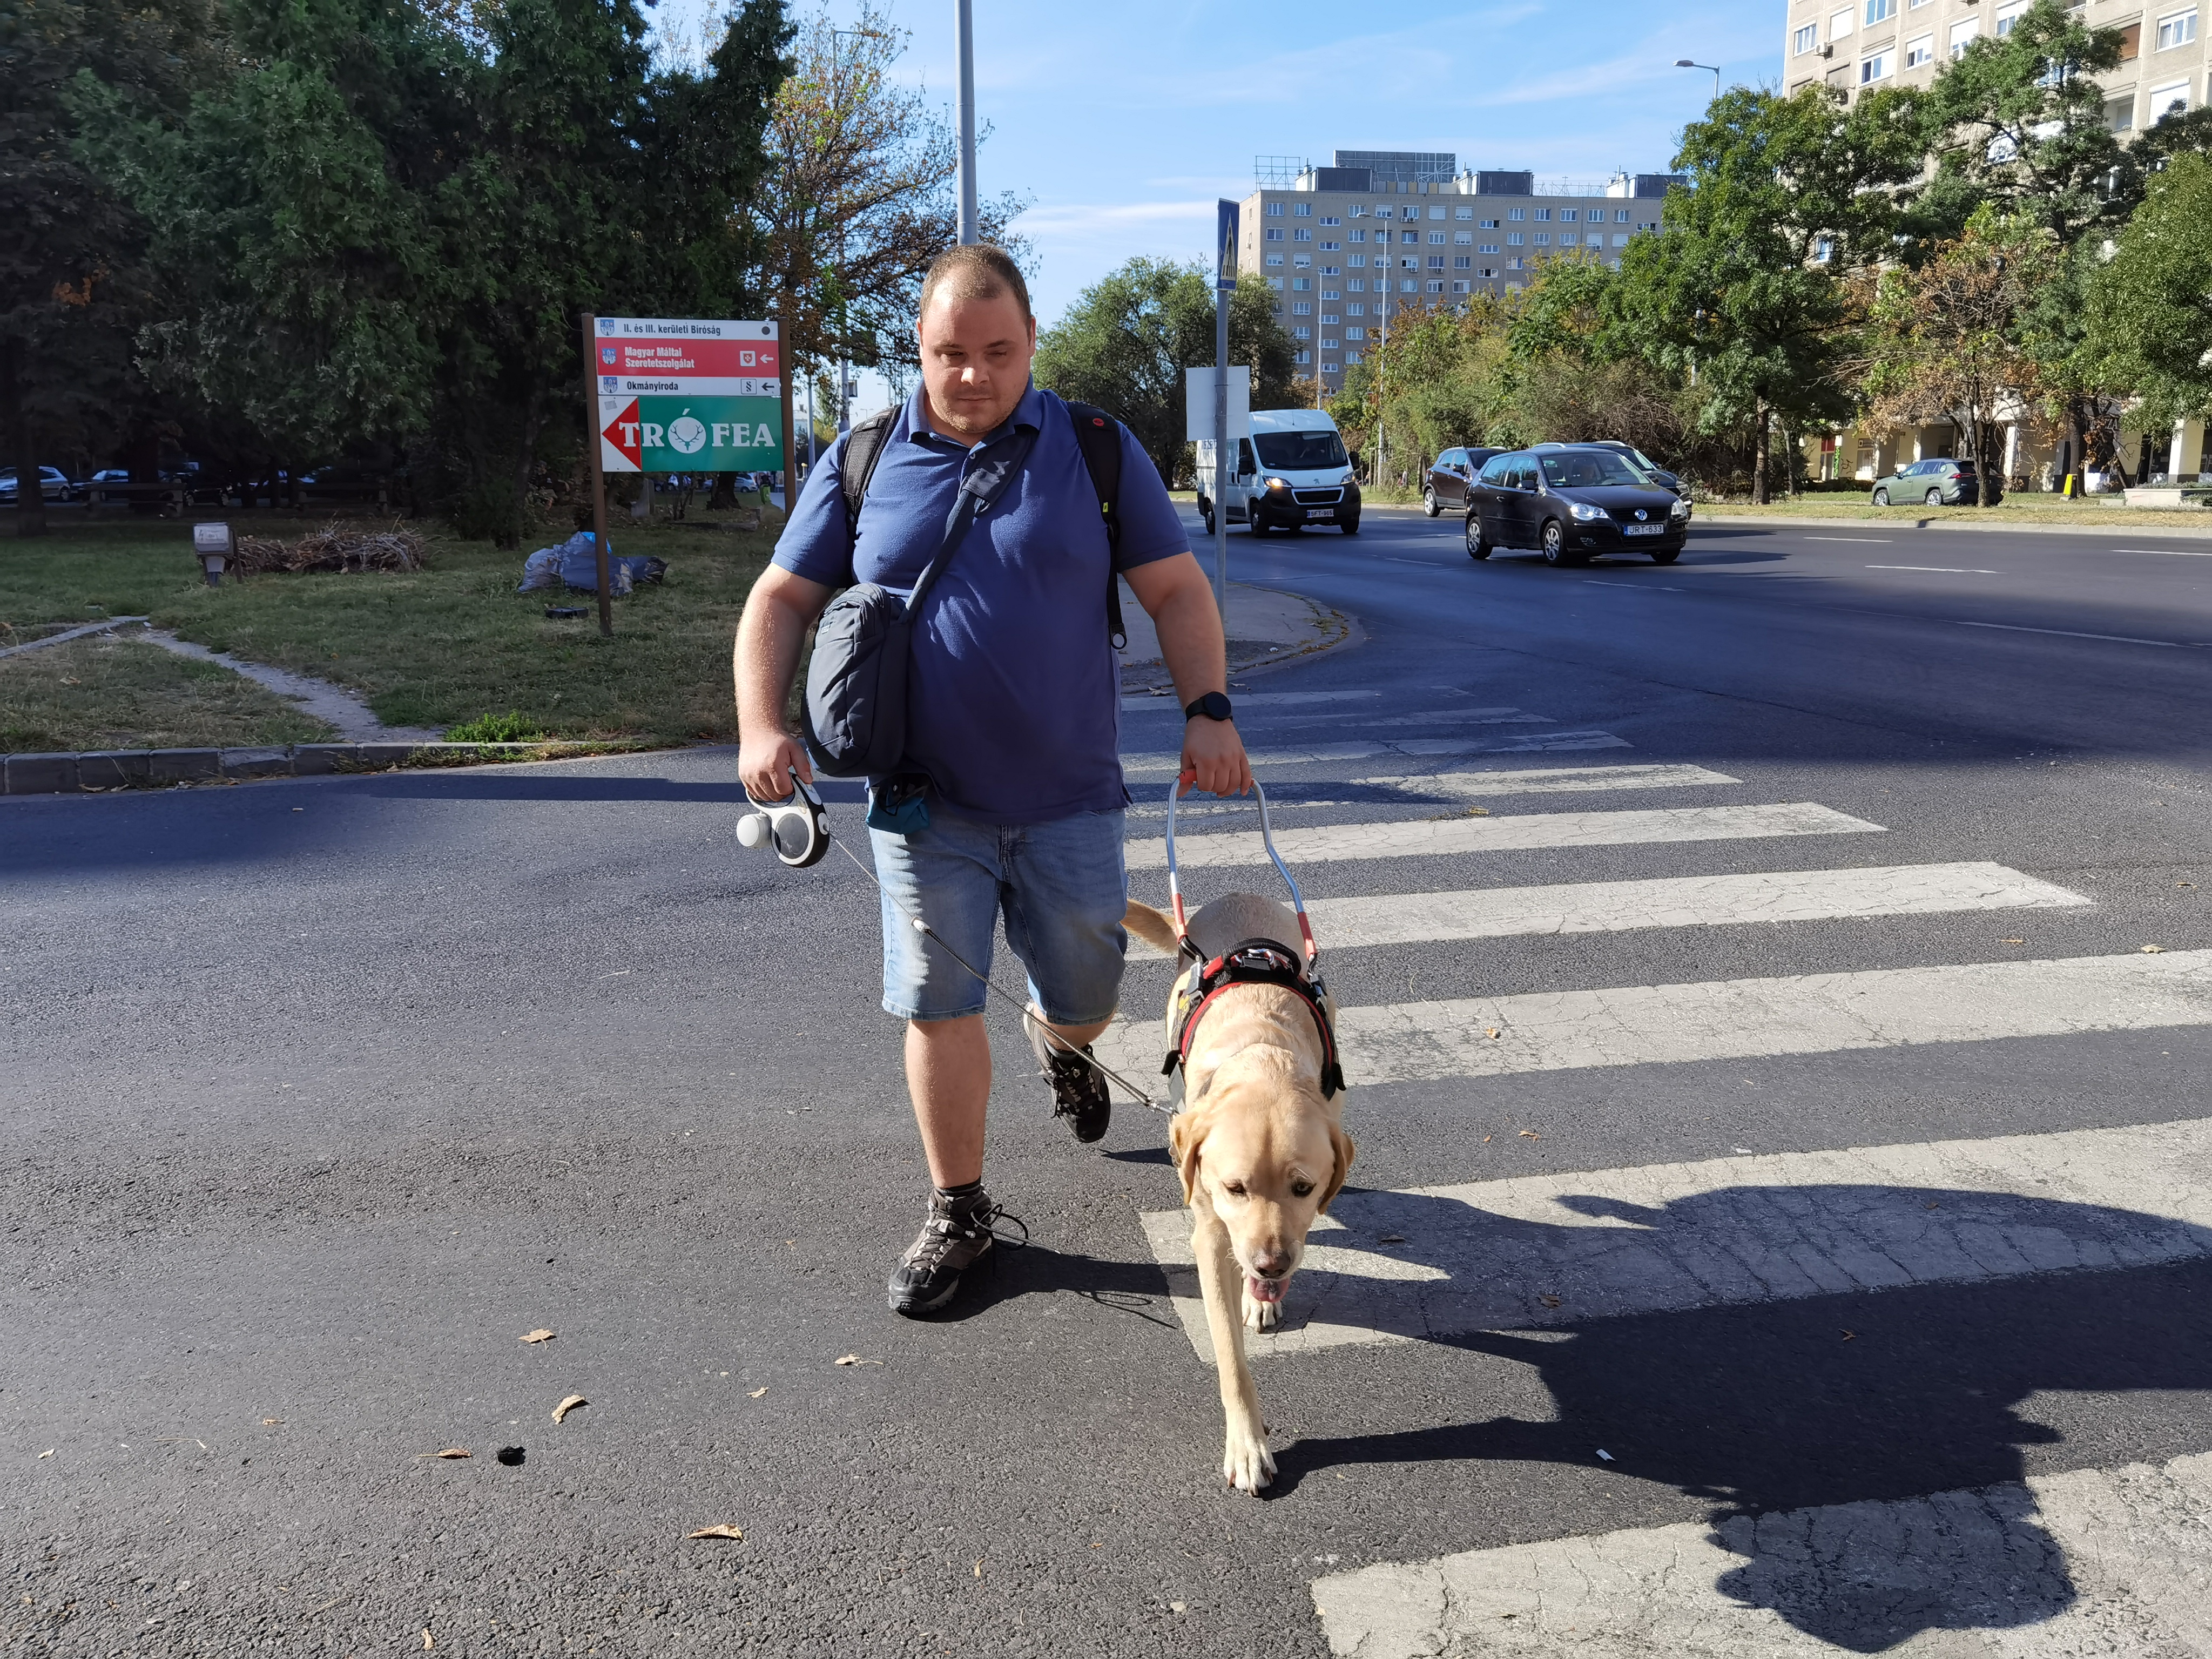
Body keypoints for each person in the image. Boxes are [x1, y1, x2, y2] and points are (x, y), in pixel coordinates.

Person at [733, 244, 1252, 1317]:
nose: (970, 375)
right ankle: (959, 1208)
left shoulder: (1096, 451)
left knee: (1088, 996)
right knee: (935, 1006)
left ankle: (1060, 1045)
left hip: (1068, 799)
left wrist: (1208, 710)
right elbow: (780, 598)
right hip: (923, 804)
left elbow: (1175, 592)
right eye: (947, 354)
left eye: (996, 352)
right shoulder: (866, 457)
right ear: (916, 350)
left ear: (1030, 345)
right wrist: (757, 725)